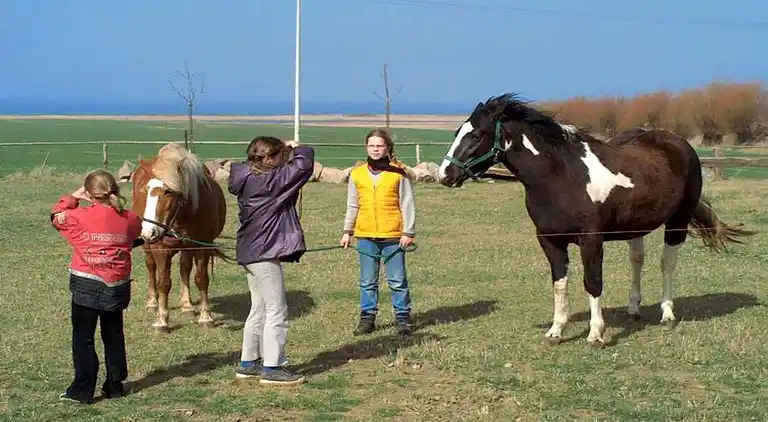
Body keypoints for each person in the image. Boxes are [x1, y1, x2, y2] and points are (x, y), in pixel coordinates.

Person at [51, 170, 143, 404]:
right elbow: (134, 239)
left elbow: (55, 215)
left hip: (86, 286)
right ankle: (115, 385)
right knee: (113, 335)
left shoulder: (77, 216)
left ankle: (82, 390)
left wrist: (73, 197)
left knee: (83, 338)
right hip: (117, 287)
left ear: (89, 194)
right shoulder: (131, 218)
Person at [228, 136, 314, 386]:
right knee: (277, 309)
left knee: (259, 307)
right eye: (278, 156)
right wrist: (297, 147)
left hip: (249, 251)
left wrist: (284, 150)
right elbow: (304, 166)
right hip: (264, 254)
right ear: (267, 158)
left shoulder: (246, 177)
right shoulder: (271, 180)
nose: (282, 160)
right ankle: (272, 367)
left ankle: (248, 363)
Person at [340, 128, 416, 337]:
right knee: (367, 280)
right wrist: (347, 230)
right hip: (365, 234)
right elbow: (352, 205)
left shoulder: (398, 173)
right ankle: (367, 318)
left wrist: (408, 232)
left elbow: (407, 204)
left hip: (393, 234)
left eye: (380, 145)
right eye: (372, 145)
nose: (375, 149)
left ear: (387, 148)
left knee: (397, 279)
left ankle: (402, 317)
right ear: (366, 147)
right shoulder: (357, 174)